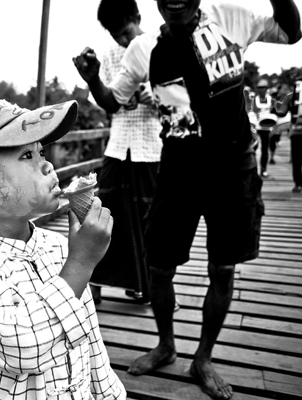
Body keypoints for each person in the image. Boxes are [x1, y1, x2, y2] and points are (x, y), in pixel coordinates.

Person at [73, 0, 301, 398]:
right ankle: (165, 344)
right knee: (159, 266)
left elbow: (291, 31)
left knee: (223, 267)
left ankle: (204, 357)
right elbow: (114, 101)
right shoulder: (143, 49)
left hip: (234, 168)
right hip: (177, 170)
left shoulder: (232, 18)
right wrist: (93, 80)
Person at [0, 97, 125, 399]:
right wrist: (82, 263)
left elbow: (90, 341)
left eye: (40, 151)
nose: (47, 164)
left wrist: (111, 395)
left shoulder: (60, 248)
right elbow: (22, 348)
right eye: (26, 155)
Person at [80, 0, 163, 305]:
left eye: (126, 32)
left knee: (149, 220)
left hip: (151, 147)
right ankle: (96, 285)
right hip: (118, 146)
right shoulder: (111, 54)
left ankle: (148, 287)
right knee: (105, 214)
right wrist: (95, 81)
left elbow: (181, 99)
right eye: (116, 35)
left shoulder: (161, 47)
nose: (123, 41)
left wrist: (153, 97)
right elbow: (106, 100)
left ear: (138, 18)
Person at [274, 74, 302, 193]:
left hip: (295, 132)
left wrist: (276, 106)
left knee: (296, 159)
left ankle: (297, 185)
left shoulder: (290, 96)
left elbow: (282, 113)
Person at [251, 78, 275, 177]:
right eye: (259, 88)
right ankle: (253, 170)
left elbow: (275, 114)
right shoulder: (253, 100)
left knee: (265, 150)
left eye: (263, 88)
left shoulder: (271, 100)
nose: (261, 90)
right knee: (254, 149)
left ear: (266, 89)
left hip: (267, 128)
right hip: (256, 128)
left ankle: (263, 170)